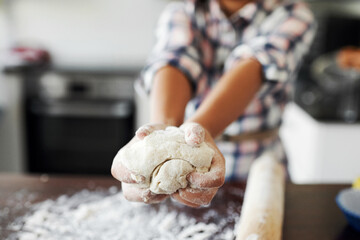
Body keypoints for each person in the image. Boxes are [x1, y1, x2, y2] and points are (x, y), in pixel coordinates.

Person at [111, 0, 317, 207]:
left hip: (259, 167)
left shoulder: (294, 12)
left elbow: (256, 64)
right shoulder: (184, 10)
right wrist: (162, 130)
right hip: (186, 166)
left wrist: (202, 128)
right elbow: (175, 60)